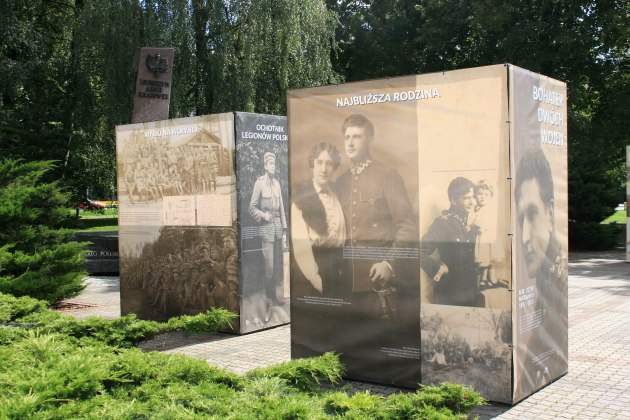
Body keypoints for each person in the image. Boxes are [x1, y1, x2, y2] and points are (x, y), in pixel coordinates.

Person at [514, 147, 567, 394]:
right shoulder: (549, 278)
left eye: (532, 213)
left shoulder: (559, 282)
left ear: (550, 213)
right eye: (520, 218)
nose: (524, 236)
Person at [420, 176, 484, 307]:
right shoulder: (442, 223)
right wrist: (438, 269)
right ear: (453, 200)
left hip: (473, 292)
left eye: (472, 197)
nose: (472, 202)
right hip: (450, 294)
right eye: (466, 198)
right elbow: (419, 252)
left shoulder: (474, 221)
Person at [292, 143, 345, 296]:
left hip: (339, 268)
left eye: (329, 164)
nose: (324, 169)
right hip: (313, 269)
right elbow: (301, 247)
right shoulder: (301, 200)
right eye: (319, 162)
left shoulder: (337, 195)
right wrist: (315, 279)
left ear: (334, 167)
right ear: (312, 166)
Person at [249, 152, 287, 323]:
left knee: (278, 266)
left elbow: (282, 210)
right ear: (265, 166)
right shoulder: (260, 184)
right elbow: (252, 208)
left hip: (278, 230)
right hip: (266, 230)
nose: (273, 166)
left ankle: (274, 298)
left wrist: (284, 230)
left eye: (274, 163)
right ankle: (265, 301)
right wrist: (263, 216)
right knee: (269, 267)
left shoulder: (277, 184)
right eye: (270, 163)